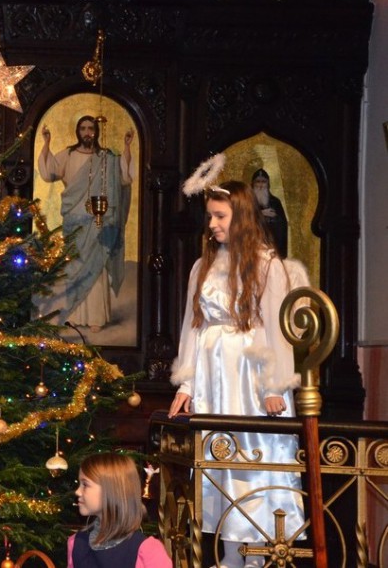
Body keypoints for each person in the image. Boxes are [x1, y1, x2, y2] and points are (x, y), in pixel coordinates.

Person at [168, 180, 305, 568]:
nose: (212, 224)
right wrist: (187, 383)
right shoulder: (203, 266)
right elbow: (192, 326)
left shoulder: (267, 265)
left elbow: (277, 329)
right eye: (210, 216)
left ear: (242, 217)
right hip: (213, 379)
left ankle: (256, 558)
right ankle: (230, 556)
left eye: (220, 216)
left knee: (252, 462)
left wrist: (275, 385)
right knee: (221, 461)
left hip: (251, 380)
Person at [38, 116, 134, 332]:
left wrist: (127, 147)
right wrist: (46, 143)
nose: (87, 132)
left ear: (97, 131)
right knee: (75, 267)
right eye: (83, 128)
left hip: (98, 221)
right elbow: (49, 173)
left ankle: (96, 318)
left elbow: (124, 178)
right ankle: (74, 313)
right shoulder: (69, 154)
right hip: (74, 221)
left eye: (91, 128)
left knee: (96, 266)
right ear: (77, 131)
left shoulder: (106, 157)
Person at [68, 453, 171, 568]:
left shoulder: (147, 552)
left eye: (85, 484)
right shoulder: (77, 544)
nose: (77, 492)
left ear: (111, 490)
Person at [250, 168, 288, 258]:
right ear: (253, 184)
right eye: (258, 182)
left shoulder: (275, 202)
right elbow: (242, 221)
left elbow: (282, 225)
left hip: (272, 249)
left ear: (268, 184)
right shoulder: (248, 202)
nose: (260, 185)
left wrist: (274, 219)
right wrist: (260, 214)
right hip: (252, 248)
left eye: (263, 182)